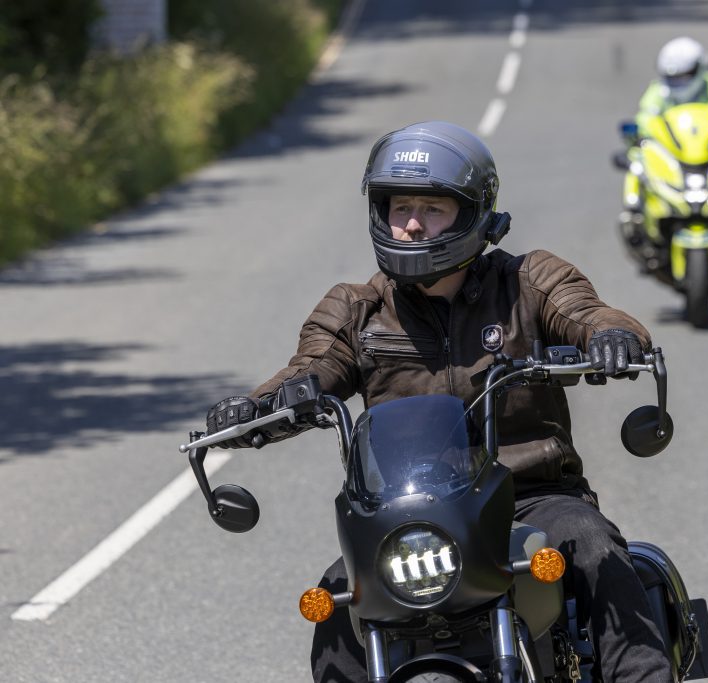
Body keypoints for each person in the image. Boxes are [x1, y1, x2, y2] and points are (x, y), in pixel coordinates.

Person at [205, 121, 675, 682]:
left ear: (473, 212)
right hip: (410, 515)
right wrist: (260, 407)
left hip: (531, 500)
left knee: (595, 546)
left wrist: (610, 338)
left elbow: (586, 311)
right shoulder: (356, 311)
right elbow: (311, 368)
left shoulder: (528, 281)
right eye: (400, 206)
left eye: (432, 209)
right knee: (335, 598)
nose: (411, 223)